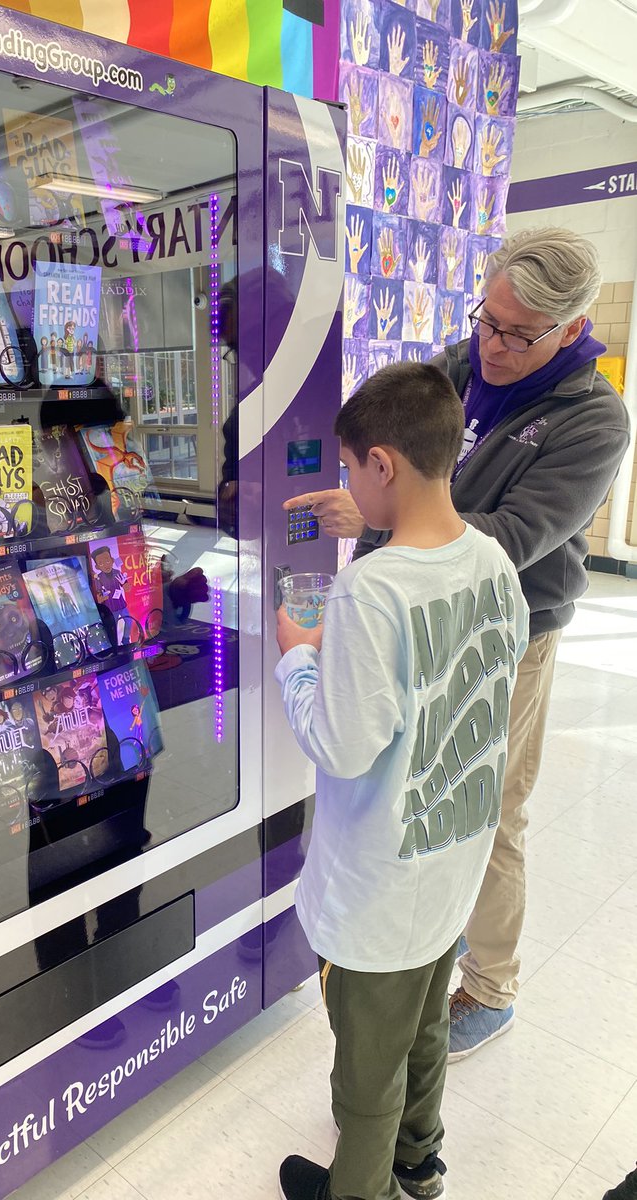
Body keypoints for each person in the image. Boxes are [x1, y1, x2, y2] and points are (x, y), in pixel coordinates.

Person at [285, 228, 630, 1059]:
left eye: (522, 334)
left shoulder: (593, 421)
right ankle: (410, 943)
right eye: (490, 320)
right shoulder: (462, 366)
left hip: (507, 630)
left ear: (573, 329)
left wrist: (388, 518)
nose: (497, 345)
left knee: (485, 802)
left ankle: (491, 982)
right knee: (400, 781)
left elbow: (513, 535)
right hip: (402, 604)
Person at [276, 361, 529, 1200]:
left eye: (350, 469)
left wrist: (298, 660)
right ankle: (420, 1167)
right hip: (448, 864)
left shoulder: (371, 589)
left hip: (378, 894)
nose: (348, 485)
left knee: (366, 1080)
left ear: (381, 464)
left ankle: (364, 1187)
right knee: (425, 1029)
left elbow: (343, 747)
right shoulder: (493, 562)